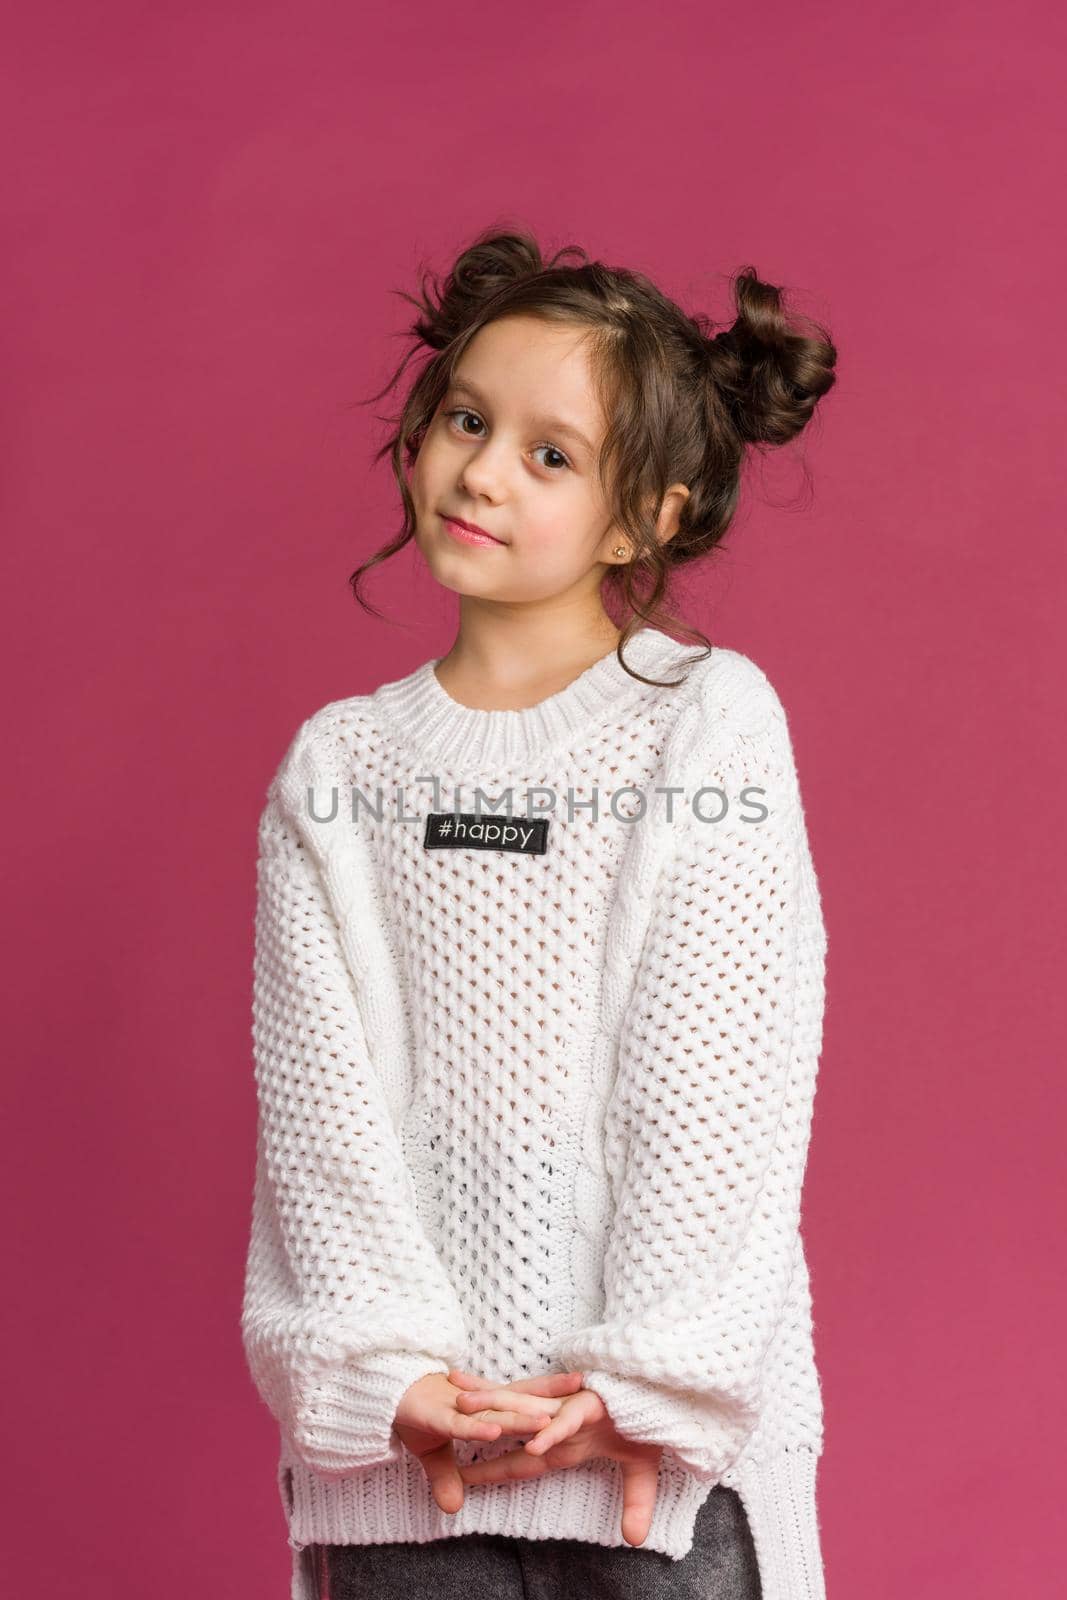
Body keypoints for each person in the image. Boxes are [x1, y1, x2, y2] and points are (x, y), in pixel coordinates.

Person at [240, 226, 837, 1600]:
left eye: (550, 453)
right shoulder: (339, 769)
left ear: (650, 518)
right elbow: (318, 1109)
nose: (485, 469)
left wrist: (652, 1376)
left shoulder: (704, 729)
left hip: (655, 1478)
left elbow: (723, 1075)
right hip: (414, 1468)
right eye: (467, 418)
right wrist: (384, 1374)